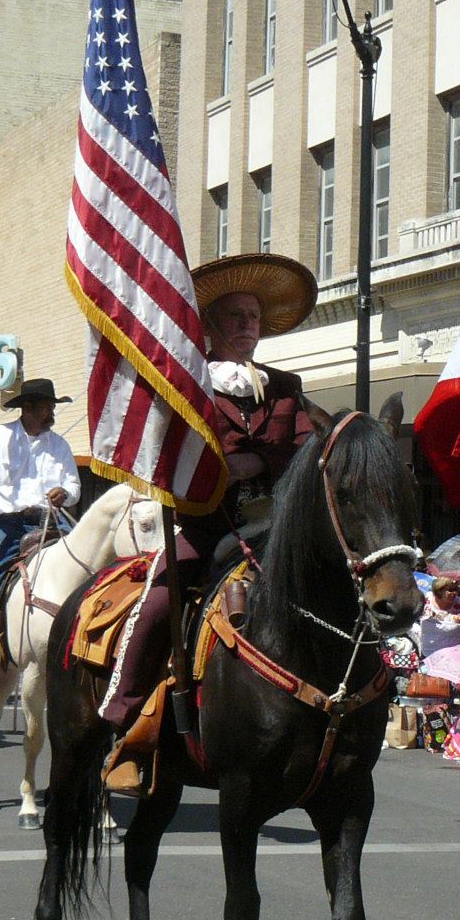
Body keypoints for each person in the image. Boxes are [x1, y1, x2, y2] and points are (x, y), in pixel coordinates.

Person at [101, 252, 320, 728]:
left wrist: (258, 459)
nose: (247, 325)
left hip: (278, 527)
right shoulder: (187, 385)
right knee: (160, 598)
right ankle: (122, 709)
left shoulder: (284, 386)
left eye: (254, 317)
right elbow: (174, 451)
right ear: (210, 325)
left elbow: (307, 447)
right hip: (207, 525)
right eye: (236, 317)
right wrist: (223, 469)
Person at [0, 377, 81, 679]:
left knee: (84, 565)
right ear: (27, 408)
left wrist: (65, 493)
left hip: (49, 519)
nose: (51, 413)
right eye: (45, 408)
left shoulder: (59, 445)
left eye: (52, 407)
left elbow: (74, 486)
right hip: (7, 523)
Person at [417, 578, 460, 658]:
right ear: (439, 591)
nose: (455, 593)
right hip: (430, 654)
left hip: (456, 655)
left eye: (456, 589)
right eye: (450, 590)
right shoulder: (424, 601)